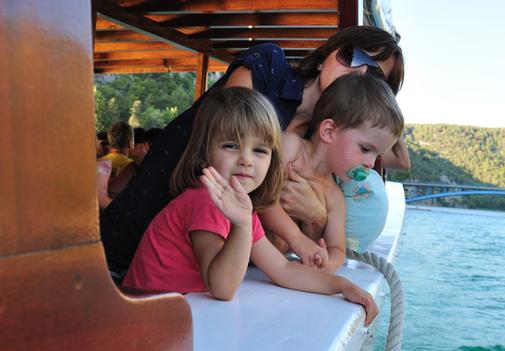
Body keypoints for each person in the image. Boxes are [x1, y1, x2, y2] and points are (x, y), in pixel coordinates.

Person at [101, 26, 406, 277]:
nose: (359, 72)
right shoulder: (269, 69)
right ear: (328, 52)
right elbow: (230, 147)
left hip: (193, 273)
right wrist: (309, 217)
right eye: (353, 55)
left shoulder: (326, 149)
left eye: (375, 77)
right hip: (128, 237)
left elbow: (270, 237)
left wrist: (315, 219)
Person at [121, 88, 377, 324]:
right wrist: (242, 224)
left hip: (171, 316)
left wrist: (341, 286)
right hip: (145, 321)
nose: (246, 160)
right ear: (204, 153)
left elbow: (283, 269)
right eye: (231, 146)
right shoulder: (206, 201)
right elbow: (222, 287)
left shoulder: (242, 209)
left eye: (260, 150)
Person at [260, 73, 403, 272]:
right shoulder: (290, 147)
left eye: (377, 155)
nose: (370, 164)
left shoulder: (334, 196)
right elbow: (261, 197)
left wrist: (326, 264)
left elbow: (337, 249)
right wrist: (298, 239)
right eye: (365, 149)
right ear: (329, 132)